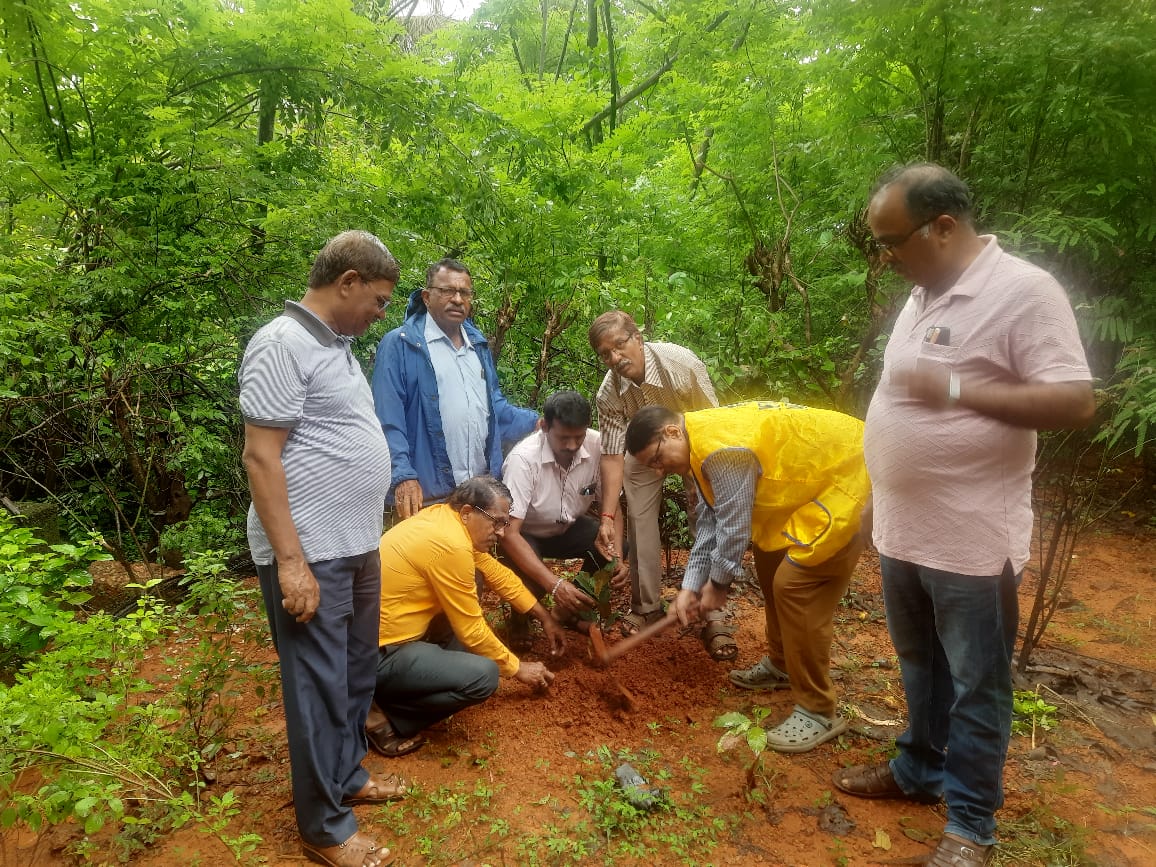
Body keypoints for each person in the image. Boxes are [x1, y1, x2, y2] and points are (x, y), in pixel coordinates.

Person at [836, 163, 1095, 867]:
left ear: (943, 227)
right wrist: (875, 498)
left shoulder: (1024, 292)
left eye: (892, 241)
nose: (885, 258)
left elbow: (1075, 400)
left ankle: (971, 825)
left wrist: (956, 387)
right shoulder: (922, 294)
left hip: (971, 541)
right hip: (902, 530)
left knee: (979, 685)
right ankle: (918, 768)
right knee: (918, 665)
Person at [239, 231, 403, 867]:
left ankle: (347, 776)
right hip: (312, 550)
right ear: (349, 281)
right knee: (315, 684)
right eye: (381, 300)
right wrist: (291, 561)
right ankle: (323, 829)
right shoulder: (279, 345)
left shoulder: (335, 347)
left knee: (355, 672)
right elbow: (261, 456)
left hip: (357, 541)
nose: (381, 313)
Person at [625, 402, 870, 753]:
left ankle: (819, 709)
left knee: (795, 587)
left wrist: (718, 586)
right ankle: (783, 665)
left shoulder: (721, 451)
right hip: (807, 489)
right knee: (770, 566)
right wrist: (690, 587)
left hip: (847, 477)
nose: (660, 470)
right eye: (652, 466)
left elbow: (734, 527)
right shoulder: (698, 444)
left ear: (672, 432)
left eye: (658, 459)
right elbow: (711, 521)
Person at [367, 476, 563, 756]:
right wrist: (518, 668)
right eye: (496, 522)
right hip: (379, 654)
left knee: (477, 639)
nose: (502, 532)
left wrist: (543, 616)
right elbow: (471, 630)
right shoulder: (449, 544)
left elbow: (497, 574)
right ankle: (381, 713)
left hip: (380, 639)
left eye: (504, 523)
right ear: (468, 512)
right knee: (485, 676)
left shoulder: (444, 520)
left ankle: (387, 692)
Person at [588, 311, 719, 646]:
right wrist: (606, 516)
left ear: (638, 338)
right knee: (639, 516)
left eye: (620, 346)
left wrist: (696, 480)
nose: (615, 358)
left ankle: (713, 610)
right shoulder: (608, 394)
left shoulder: (682, 365)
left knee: (704, 512)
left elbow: (714, 425)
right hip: (642, 450)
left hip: (694, 440)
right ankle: (647, 606)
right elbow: (614, 456)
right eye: (606, 354)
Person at [372, 258, 538, 519]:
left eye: (464, 292)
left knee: (475, 561)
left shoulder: (478, 347)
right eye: (448, 291)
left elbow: (494, 410)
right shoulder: (400, 345)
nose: (458, 299)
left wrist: (538, 422)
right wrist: (403, 476)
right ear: (427, 296)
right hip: (427, 497)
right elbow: (388, 421)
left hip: (478, 495)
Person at [499, 390, 628, 645]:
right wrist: (554, 584)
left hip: (567, 528)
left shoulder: (598, 446)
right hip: (526, 532)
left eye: (578, 437)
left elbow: (612, 509)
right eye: (563, 438)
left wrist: (618, 558)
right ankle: (520, 620)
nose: (571, 445)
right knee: (530, 580)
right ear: (544, 426)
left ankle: (568, 610)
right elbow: (509, 533)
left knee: (611, 550)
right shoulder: (523, 460)